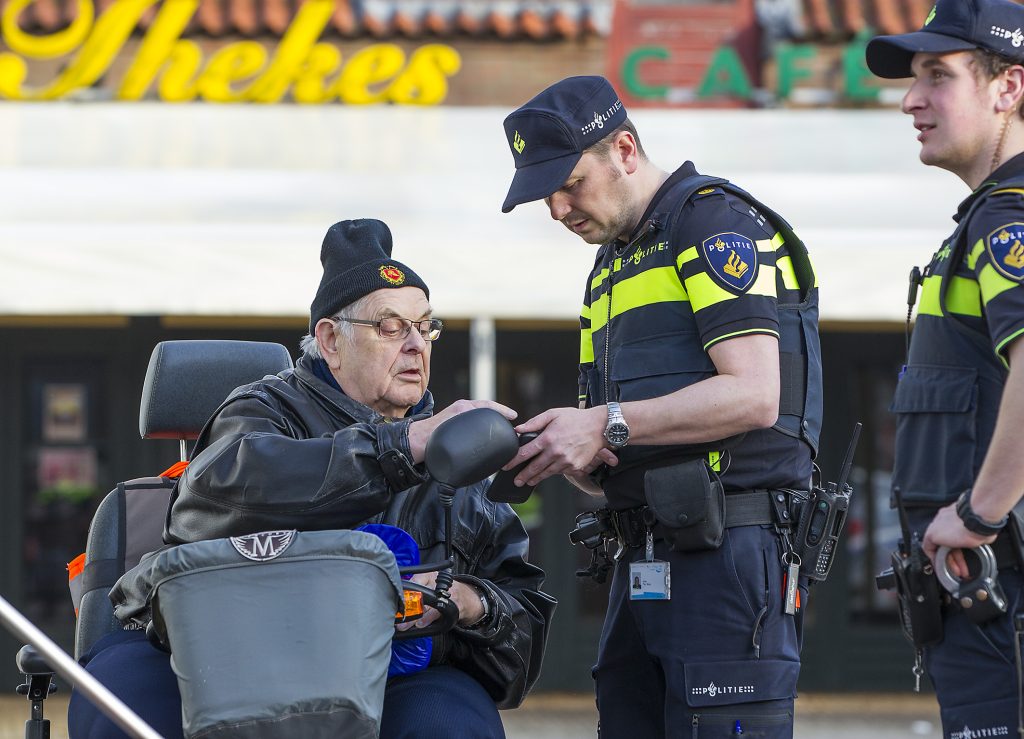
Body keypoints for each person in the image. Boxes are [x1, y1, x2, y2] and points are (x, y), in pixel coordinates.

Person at [68, 218, 555, 739]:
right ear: (330, 340)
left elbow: (518, 653)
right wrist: (403, 444)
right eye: (391, 327)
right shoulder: (260, 412)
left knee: (450, 720)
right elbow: (228, 490)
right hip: (212, 656)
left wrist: (471, 602)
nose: (417, 344)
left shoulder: (456, 458)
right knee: (119, 696)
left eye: (425, 326)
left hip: (389, 673)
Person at [498, 76, 822, 737]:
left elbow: (755, 394)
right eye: (544, 195)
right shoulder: (609, 265)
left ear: (623, 149)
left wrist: (604, 423)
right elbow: (619, 438)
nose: (557, 208)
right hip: (644, 552)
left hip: (729, 550)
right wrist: (570, 451)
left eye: (570, 183)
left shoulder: (711, 221)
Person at [866, 0, 1024, 734]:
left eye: (938, 76)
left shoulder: (1009, 220)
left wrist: (979, 513)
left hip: (1002, 592)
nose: (911, 100)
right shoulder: (986, 221)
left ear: (1008, 87)